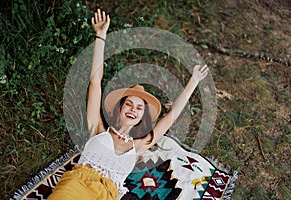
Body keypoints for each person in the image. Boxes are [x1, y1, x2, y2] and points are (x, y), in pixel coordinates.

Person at [48, 9, 209, 200]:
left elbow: (171, 117)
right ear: (120, 108)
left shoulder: (139, 145)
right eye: (129, 104)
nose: (133, 109)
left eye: (139, 108)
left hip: (108, 195)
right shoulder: (98, 129)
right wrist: (101, 36)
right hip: (78, 184)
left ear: (142, 117)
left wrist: (194, 81)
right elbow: (95, 83)